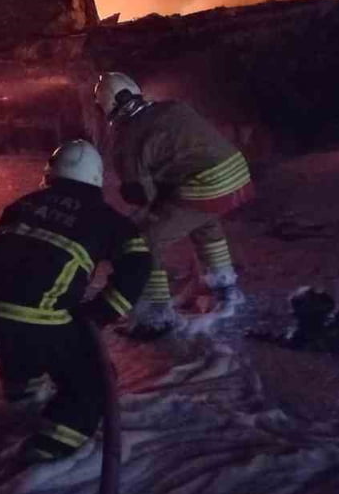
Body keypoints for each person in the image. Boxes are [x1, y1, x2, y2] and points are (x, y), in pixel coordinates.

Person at [0, 139, 151, 466]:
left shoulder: (23, 204)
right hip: (37, 311)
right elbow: (139, 263)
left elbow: (0, 266)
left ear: (51, 173)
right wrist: (101, 312)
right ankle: (47, 451)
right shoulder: (107, 219)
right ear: (96, 178)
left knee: (22, 336)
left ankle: (22, 397)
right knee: (93, 381)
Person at [94, 72, 254, 340]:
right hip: (236, 172)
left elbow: (141, 195)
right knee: (204, 221)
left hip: (206, 184)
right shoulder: (172, 107)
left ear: (106, 107)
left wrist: (141, 214)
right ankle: (225, 287)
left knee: (144, 240)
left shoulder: (127, 138)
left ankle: (156, 315)